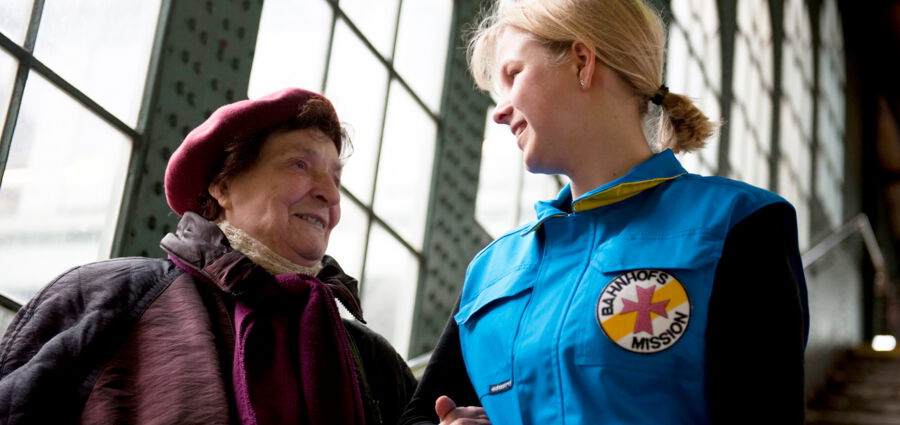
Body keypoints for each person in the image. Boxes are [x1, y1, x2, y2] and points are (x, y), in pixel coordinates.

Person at [400, 1, 808, 424]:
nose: (499, 112)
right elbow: (421, 416)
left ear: (582, 61)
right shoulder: (491, 270)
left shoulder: (736, 224)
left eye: (513, 75)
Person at [0, 87, 417, 424]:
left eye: (336, 176)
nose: (329, 192)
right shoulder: (109, 295)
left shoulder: (373, 358)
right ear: (222, 185)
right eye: (300, 165)